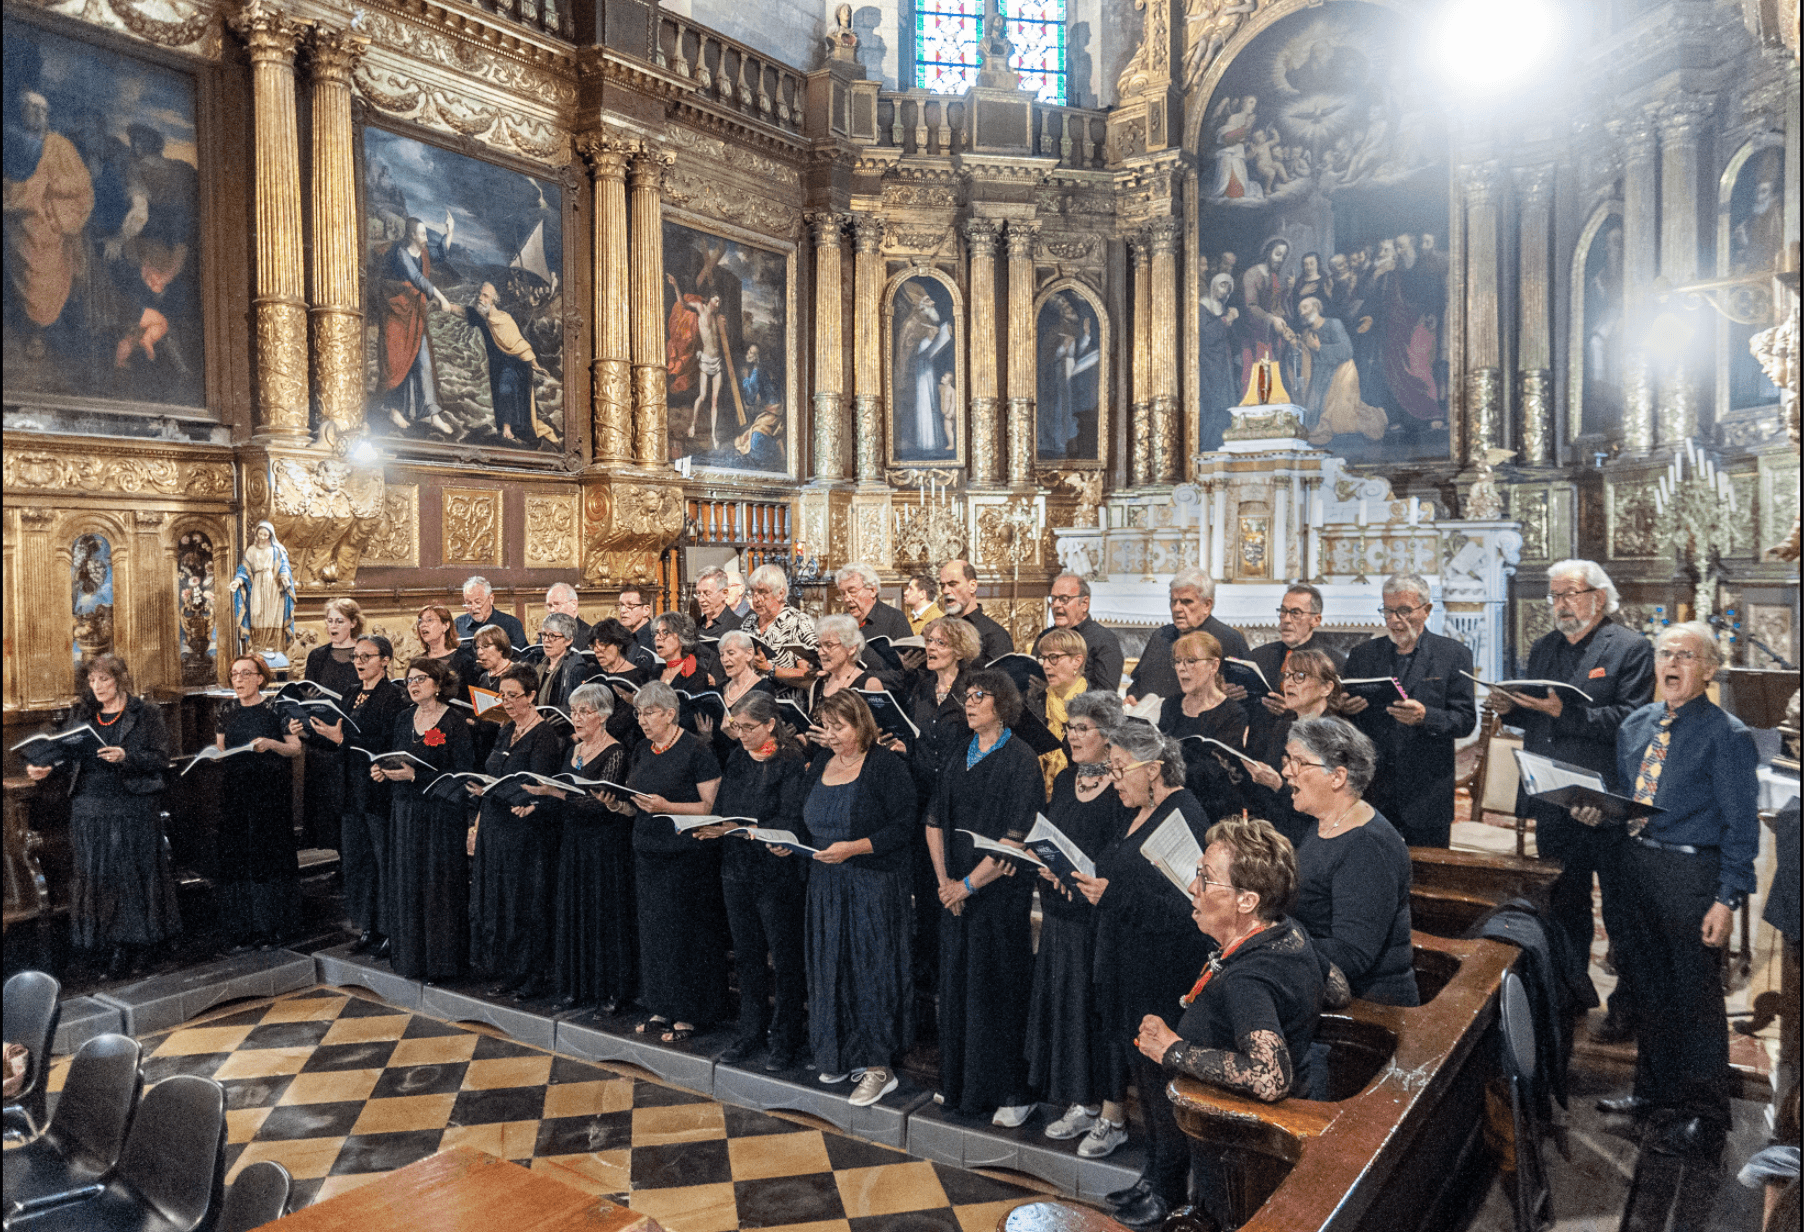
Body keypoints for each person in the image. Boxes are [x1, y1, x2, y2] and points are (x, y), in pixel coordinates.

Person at [1587, 623, 1759, 1160]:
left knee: (1694, 997)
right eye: (1666, 653)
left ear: (1708, 669)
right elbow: (1628, 796)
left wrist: (1726, 896)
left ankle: (1705, 1116)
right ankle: (1652, 1096)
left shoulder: (1726, 734)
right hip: (1635, 869)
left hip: (1692, 878)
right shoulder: (1637, 723)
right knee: (1647, 988)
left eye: (1687, 656)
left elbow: (1742, 827)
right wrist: (1596, 809)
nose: (1673, 663)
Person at [1133, 817, 1326, 1230]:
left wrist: (1173, 1049)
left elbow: (1270, 1076)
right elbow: (1336, 985)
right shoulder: (1287, 932)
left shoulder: (1247, 979)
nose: (1192, 887)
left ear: (1247, 901)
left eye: (1205, 878)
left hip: (1239, 1162)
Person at [1491, 559, 1653, 1043]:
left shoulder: (1630, 647)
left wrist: (1568, 713)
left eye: (1569, 594)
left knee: (1621, 908)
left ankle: (1629, 1005)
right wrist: (1510, 709)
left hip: (1605, 797)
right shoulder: (1544, 647)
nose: (1560, 604)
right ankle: (1570, 990)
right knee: (1564, 899)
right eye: (1554, 596)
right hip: (1553, 795)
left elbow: (1634, 719)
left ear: (1598, 598)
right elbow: (1537, 716)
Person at [1072, 722, 1214, 1202]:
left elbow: (1189, 910)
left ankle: (1169, 1192)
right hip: (1127, 968)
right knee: (1144, 1085)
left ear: (1153, 768)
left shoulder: (1184, 814)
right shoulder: (1135, 810)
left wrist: (1115, 897)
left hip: (1160, 973)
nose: (1114, 780)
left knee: (1161, 1086)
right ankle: (1151, 1176)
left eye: (1119, 770)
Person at [926, 669, 1045, 1123]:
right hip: (952, 892)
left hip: (997, 895)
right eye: (966, 696)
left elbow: (1015, 838)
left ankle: (1008, 1092)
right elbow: (934, 820)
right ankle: (958, 1084)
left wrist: (968, 885)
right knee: (956, 989)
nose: (970, 703)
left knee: (995, 992)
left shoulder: (1021, 758)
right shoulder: (960, 751)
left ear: (1004, 703)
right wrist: (944, 882)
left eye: (980, 696)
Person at [25, 655, 180, 978]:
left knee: (131, 876)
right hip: (89, 805)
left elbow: (162, 758)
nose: (96, 687)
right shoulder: (83, 714)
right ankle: (106, 946)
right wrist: (44, 768)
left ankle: (139, 947)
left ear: (120, 680)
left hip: (131, 805)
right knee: (98, 877)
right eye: (92, 681)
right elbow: (65, 755)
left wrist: (127, 756)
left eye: (104, 680)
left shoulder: (145, 712)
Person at [802, 690, 920, 1105]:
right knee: (831, 967)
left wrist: (854, 848)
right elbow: (808, 816)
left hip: (871, 882)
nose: (831, 736)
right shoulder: (820, 761)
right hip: (826, 883)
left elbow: (904, 826)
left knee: (872, 970)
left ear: (862, 725)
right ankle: (841, 1054)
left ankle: (878, 1066)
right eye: (827, 726)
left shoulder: (886, 766)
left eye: (840, 727)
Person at [1027, 691, 1132, 1145]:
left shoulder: (1122, 789)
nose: (1072, 736)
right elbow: (1052, 831)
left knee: (1099, 1013)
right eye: (1070, 728)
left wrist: (1079, 873)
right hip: (1059, 912)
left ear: (1107, 736)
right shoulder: (1068, 779)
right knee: (1067, 1010)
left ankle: (1114, 1114)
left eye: (1082, 728)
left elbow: (1122, 856)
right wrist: (1046, 862)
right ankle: (1082, 1101)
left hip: (1097, 918)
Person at [701, 691, 811, 1068]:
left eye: (748, 727)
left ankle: (785, 1037)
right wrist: (716, 827)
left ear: (769, 725)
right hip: (736, 867)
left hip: (775, 871)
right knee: (747, 956)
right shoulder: (736, 758)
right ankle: (750, 1032)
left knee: (784, 958)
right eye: (736, 726)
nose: (741, 734)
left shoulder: (790, 760)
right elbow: (724, 808)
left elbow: (794, 816)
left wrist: (763, 831)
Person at [1282, 716, 1417, 1007]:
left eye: (1299, 762)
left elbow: (1352, 954)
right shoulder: (1325, 823)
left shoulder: (1367, 847)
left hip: (1369, 1007)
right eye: (1288, 759)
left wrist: (1271, 944)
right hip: (1329, 988)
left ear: (1337, 777)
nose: (1286, 771)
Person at [1341, 573, 1476, 848]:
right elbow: (1344, 723)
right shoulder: (1362, 655)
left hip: (1427, 790)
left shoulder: (1452, 654)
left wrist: (1426, 716)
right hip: (1374, 789)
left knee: (1429, 879)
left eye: (1403, 611)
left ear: (1426, 610)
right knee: (1374, 872)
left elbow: (1465, 720)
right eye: (1388, 611)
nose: (1394, 620)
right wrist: (1345, 709)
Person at [626, 681, 727, 1041]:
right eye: (639, 713)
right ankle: (661, 1005)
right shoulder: (641, 748)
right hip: (648, 852)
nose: (642, 720)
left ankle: (689, 1013)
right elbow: (635, 796)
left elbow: (710, 808)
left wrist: (667, 807)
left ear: (670, 713)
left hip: (686, 857)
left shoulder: (697, 749)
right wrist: (617, 803)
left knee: (685, 934)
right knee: (654, 934)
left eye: (650, 713)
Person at [468, 665, 567, 999]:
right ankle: (505, 969)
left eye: (514, 696)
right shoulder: (506, 728)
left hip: (524, 828)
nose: (507, 702)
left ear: (532, 696)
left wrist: (527, 802)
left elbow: (538, 785)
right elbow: (494, 771)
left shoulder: (544, 736)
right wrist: (478, 815)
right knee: (498, 899)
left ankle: (529, 974)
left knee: (523, 902)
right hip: (496, 823)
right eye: (503, 695)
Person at [540, 682, 634, 1013]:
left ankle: (610, 990)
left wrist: (556, 794)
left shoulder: (617, 752)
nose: (576, 718)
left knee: (602, 914)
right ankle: (575, 987)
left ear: (604, 715)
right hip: (574, 841)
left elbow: (598, 804)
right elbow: (570, 795)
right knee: (573, 911)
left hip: (603, 845)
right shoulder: (573, 750)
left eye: (584, 711)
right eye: (574, 711)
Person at [381, 656, 475, 983]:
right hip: (406, 813)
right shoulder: (404, 717)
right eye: (410, 680)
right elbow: (397, 757)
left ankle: (442, 964)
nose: (414, 684)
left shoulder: (454, 721)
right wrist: (383, 770)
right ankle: (412, 960)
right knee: (409, 883)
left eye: (421, 678)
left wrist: (415, 778)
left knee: (438, 887)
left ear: (438, 683)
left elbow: (461, 774)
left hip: (440, 814)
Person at [213, 653, 302, 951]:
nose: (238, 680)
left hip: (270, 791)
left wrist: (271, 744)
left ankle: (273, 927)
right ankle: (244, 928)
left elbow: (294, 749)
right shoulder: (226, 710)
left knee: (269, 854)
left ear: (260, 678)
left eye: (245, 674)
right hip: (237, 790)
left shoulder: (277, 708)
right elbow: (222, 749)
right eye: (234, 674)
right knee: (240, 856)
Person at [326, 636, 408, 958]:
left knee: (382, 862)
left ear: (385, 660)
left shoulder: (394, 698)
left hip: (376, 790)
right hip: (350, 789)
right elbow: (340, 742)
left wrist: (342, 737)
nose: (359, 662)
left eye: (366, 656)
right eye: (355, 657)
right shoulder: (350, 693)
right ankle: (367, 927)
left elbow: (388, 743)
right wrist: (312, 732)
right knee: (357, 862)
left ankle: (389, 929)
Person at [1241, 648, 1342, 849]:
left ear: (1326, 687)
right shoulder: (1282, 725)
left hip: (1315, 841)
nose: (1288, 683)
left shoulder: (1335, 734)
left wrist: (1278, 784)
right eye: (1287, 675)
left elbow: (1325, 805)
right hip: (1276, 836)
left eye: (1300, 677)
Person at [1158, 630, 1251, 824]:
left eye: (1191, 661)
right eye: (1177, 661)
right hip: (1170, 807)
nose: (1181, 669)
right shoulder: (1171, 706)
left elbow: (1217, 773)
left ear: (1213, 666)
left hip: (1213, 814)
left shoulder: (1233, 713)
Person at [377, 213, 456, 435]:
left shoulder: (422, 251)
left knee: (424, 363)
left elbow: (441, 253)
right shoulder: (401, 253)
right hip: (396, 312)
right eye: (422, 233)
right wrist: (441, 298)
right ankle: (394, 410)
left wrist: (449, 232)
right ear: (412, 235)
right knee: (397, 362)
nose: (424, 236)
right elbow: (417, 279)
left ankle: (433, 415)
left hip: (414, 313)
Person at [1128, 569, 1249, 706]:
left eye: (1186, 602)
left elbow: (1248, 693)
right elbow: (1140, 681)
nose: (1177, 608)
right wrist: (1132, 697)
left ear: (1207, 605)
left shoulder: (1228, 639)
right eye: (1174, 601)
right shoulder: (1161, 636)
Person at [299, 598, 364, 849]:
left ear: (353, 623)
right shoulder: (318, 656)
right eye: (329, 621)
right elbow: (305, 692)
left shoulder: (363, 651)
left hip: (350, 738)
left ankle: (350, 866)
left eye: (339, 621)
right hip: (321, 742)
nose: (333, 626)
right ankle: (339, 862)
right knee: (325, 810)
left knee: (348, 808)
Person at [1240, 585, 1346, 720]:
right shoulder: (1258, 656)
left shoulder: (1332, 661)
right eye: (1283, 611)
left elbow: (1338, 712)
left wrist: (1295, 707)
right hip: (1264, 735)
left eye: (1296, 613)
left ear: (1315, 620)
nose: (1286, 619)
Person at [464, 280, 547, 444]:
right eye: (480, 294)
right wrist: (441, 301)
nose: (480, 298)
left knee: (505, 387)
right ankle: (504, 428)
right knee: (498, 391)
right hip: (495, 364)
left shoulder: (504, 319)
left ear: (493, 300)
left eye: (485, 295)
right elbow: (460, 311)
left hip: (512, 363)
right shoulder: (482, 316)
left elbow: (519, 343)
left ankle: (508, 429)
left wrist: (535, 365)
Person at [1035, 572, 1124, 695]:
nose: (1055, 605)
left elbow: (1106, 694)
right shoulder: (1045, 636)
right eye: (1053, 599)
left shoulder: (1104, 640)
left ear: (1084, 604)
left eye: (1064, 599)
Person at [742, 565, 818, 688]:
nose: (756, 598)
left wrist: (769, 669)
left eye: (762, 592)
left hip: (785, 703)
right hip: (753, 699)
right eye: (753, 591)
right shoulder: (749, 622)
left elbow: (810, 674)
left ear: (780, 593)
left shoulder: (798, 622)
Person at [1034, 627, 1090, 795]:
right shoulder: (1037, 701)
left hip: (1078, 792)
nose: (1046, 666)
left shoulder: (1093, 706)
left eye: (1054, 658)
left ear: (1077, 661)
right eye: (1043, 658)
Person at [230, 520, 294, 655]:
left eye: (266, 534)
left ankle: (275, 649)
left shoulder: (277, 549)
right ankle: (258, 648)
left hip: (274, 585)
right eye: (261, 534)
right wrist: (238, 580)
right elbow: (244, 569)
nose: (263, 537)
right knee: (256, 614)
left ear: (270, 535)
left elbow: (284, 566)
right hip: (257, 584)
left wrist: (284, 576)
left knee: (273, 615)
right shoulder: (251, 550)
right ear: (256, 534)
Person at [937, 559, 1012, 661]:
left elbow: (999, 676)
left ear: (972, 586)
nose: (945, 591)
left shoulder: (995, 635)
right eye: (942, 585)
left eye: (952, 584)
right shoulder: (936, 627)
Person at [467, 623, 515, 764]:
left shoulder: (516, 672)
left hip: (507, 740)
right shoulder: (483, 677)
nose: (480, 652)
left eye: (486, 646)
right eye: (478, 648)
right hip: (485, 740)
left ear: (500, 647)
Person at [811, 614, 883, 705]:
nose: (820, 652)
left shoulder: (870, 685)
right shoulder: (818, 685)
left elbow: (881, 718)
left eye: (829, 645)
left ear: (851, 648)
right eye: (819, 646)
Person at [837, 562, 912, 642]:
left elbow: (909, 653)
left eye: (852, 591)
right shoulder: (840, 624)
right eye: (843, 593)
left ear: (873, 590)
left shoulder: (895, 619)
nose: (846, 599)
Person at [535, 612, 592, 713]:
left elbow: (576, 707)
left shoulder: (577, 668)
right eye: (544, 634)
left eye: (552, 636)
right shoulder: (537, 662)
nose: (546, 640)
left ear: (568, 640)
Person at [417, 603, 476, 697]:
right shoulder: (418, 661)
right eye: (420, 621)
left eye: (429, 620)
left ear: (445, 625)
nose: (423, 625)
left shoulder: (464, 660)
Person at [455, 576, 527, 650]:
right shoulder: (458, 624)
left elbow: (522, 657)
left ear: (491, 599)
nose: (473, 608)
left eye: (478, 602)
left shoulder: (512, 624)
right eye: (469, 603)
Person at [617, 586, 660, 664]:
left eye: (630, 606)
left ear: (646, 610)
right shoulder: (620, 638)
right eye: (621, 605)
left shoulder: (658, 639)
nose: (623, 610)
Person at [545, 582, 591, 648]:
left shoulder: (589, 636)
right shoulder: (546, 634)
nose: (552, 610)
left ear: (573, 604)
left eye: (557, 604)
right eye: (549, 605)